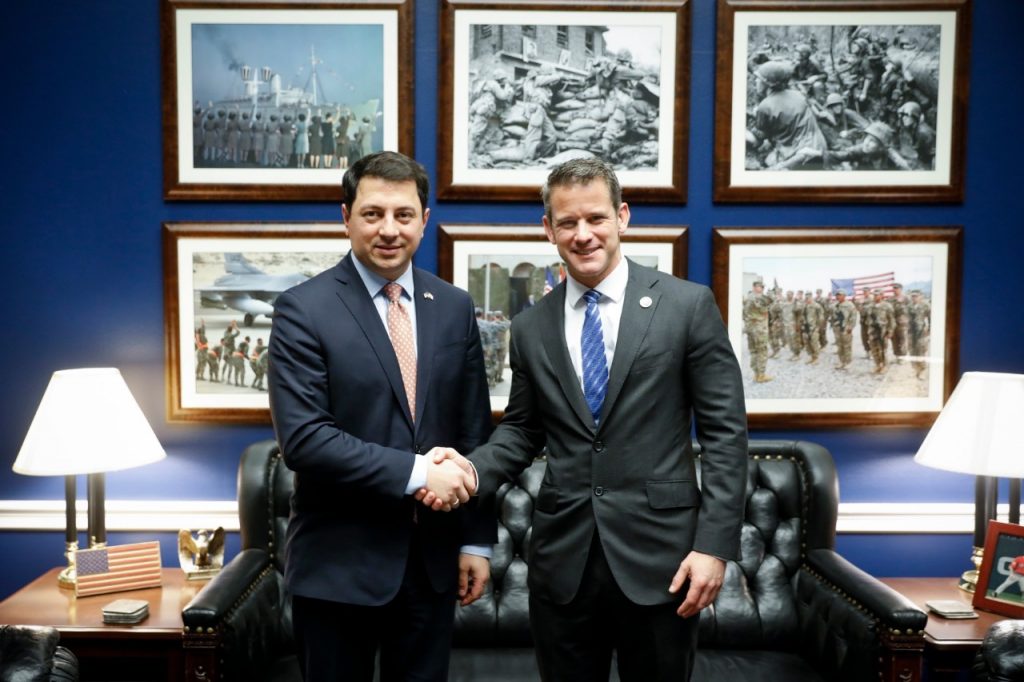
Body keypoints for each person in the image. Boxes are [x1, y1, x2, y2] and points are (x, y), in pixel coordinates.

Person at [423, 158, 748, 681]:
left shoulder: (687, 307)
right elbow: (522, 429)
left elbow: (725, 436)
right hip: (562, 563)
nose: (583, 234)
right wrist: (470, 470)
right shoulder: (531, 326)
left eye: (596, 218)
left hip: (662, 560)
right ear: (548, 229)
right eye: (568, 222)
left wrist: (713, 547)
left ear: (622, 217)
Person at [267, 151, 495, 682]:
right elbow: (305, 439)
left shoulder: (454, 306)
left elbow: (473, 431)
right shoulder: (303, 309)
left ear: (424, 219)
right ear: (346, 217)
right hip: (337, 570)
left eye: (403, 214)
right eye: (373, 214)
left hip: (431, 566)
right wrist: (420, 473)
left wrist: (475, 541)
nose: (389, 229)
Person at [743, 280, 773, 382]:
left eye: (762, 287)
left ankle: (756, 374)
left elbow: (744, 314)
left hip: (750, 329)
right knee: (762, 351)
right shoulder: (758, 298)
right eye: (761, 287)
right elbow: (770, 300)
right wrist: (771, 293)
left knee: (753, 351)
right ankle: (761, 375)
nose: (762, 289)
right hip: (759, 330)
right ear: (755, 287)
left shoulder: (747, 298)